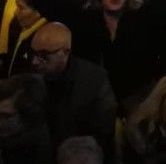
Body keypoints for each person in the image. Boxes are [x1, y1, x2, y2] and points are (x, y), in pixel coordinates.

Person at [29, 22, 117, 152]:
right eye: (34, 54)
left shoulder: (94, 81)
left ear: (65, 52)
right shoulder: (33, 77)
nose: (35, 61)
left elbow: (103, 131)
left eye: (44, 56)